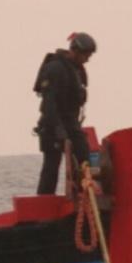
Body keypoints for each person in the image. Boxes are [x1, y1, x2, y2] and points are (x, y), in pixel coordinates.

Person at [34, 32, 97, 194]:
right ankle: (45, 201)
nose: (87, 59)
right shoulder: (55, 68)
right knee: (51, 165)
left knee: (84, 155)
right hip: (52, 123)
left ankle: (85, 192)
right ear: (75, 51)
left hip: (70, 122)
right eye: (86, 55)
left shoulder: (76, 70)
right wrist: (57, 129)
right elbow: (49, 102)